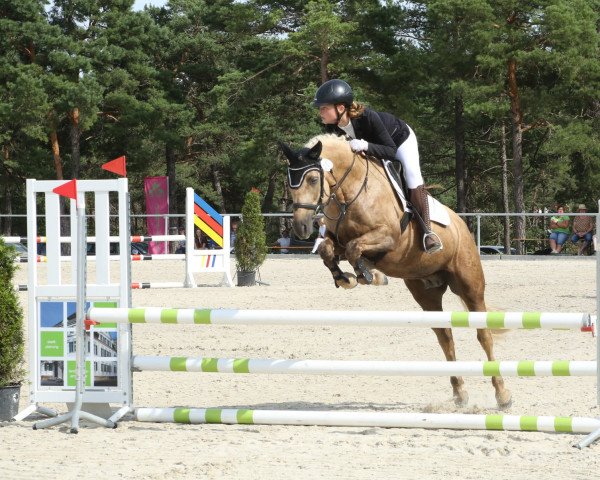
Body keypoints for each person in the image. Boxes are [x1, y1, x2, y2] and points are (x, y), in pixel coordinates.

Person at [312, 79, 442, 254]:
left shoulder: (367, 117)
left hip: (399, 141)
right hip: (373, 149)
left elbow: (390, 150)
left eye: (324, 108)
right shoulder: (332, 129)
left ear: (340, 108)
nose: (320, 112)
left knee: (412, 177)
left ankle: (428, 232)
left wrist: (366, 146)